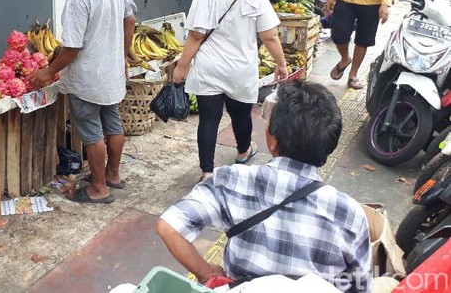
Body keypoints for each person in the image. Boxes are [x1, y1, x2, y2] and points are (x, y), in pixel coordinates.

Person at [157, 81, 372, 291]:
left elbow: (169, 226)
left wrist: (207, 273)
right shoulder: (350, 214)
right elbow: (360, 286)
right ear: (328, 148)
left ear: (272, 140)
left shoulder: (231, 180)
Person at [29, 0, 137, 204]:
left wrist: (47, 71)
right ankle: (112, 175)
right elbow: (130, 20)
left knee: (91, 133)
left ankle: (98, 188)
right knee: (113, 124)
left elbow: (72, 48)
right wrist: (122, 55)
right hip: (111, 73)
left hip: (88, 77)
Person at [171, 0, 288, 182]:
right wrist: (281, 64)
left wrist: (181, 69)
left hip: (209, 69)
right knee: (241, 116)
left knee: (208, 120)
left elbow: (195, 36)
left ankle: (206, 172)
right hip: (240, 70)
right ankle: (244, 151)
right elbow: (270, 36)